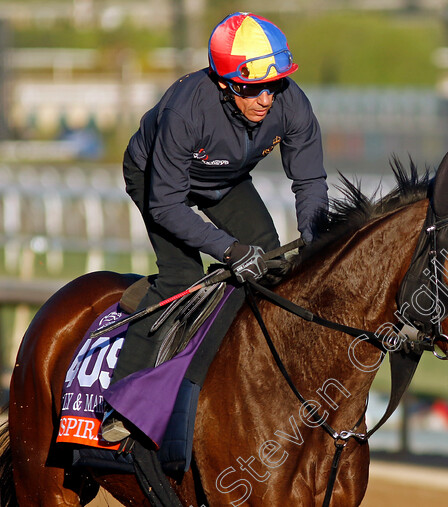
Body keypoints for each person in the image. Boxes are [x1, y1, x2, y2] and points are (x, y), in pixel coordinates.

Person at [101, 12, 328, 442]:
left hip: (224, 181)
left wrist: (316, 236)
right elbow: (166, 204)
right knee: (181, 277)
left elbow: (310, 181)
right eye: (252, 88)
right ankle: (120, 399)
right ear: (225, 84)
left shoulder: (291, 102)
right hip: (157, 178)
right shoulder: (187, 110)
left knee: (272, 269)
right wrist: (226, 250)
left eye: (274, 84)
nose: (266, 99)